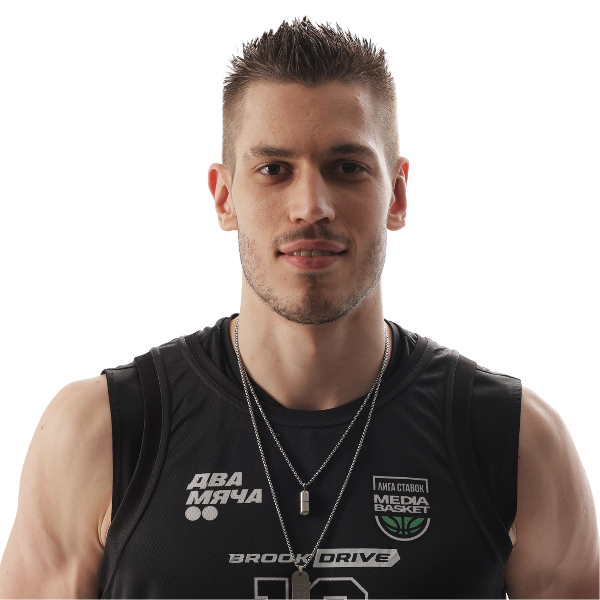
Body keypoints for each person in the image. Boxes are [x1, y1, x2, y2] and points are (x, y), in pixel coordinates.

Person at [1, 15, 598, 600]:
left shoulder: (515, 441)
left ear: (397, 194)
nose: (311, 205)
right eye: (274, 169)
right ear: (224, 197)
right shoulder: (99, 433)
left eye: (347, 168)